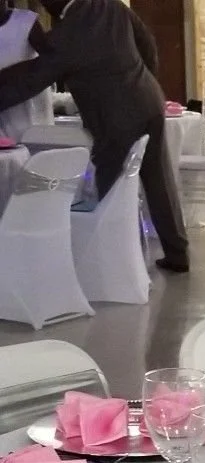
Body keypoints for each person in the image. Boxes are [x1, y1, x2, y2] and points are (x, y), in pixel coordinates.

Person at [0, 0, 189, 273]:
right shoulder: (111, 6)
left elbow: (33, 78)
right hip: (149, 102)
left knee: (110, 191)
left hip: (114, 118)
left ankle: (111, 263)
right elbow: (147, 43)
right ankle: (177, 253)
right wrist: (141, 81)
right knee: (159, 180)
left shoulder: (70, 31)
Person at [0, 0, 53, 141]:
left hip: (30, 110)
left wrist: (11, 74)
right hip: (3, 112)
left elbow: (51, 61)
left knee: (36, 148)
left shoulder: (26, 21)